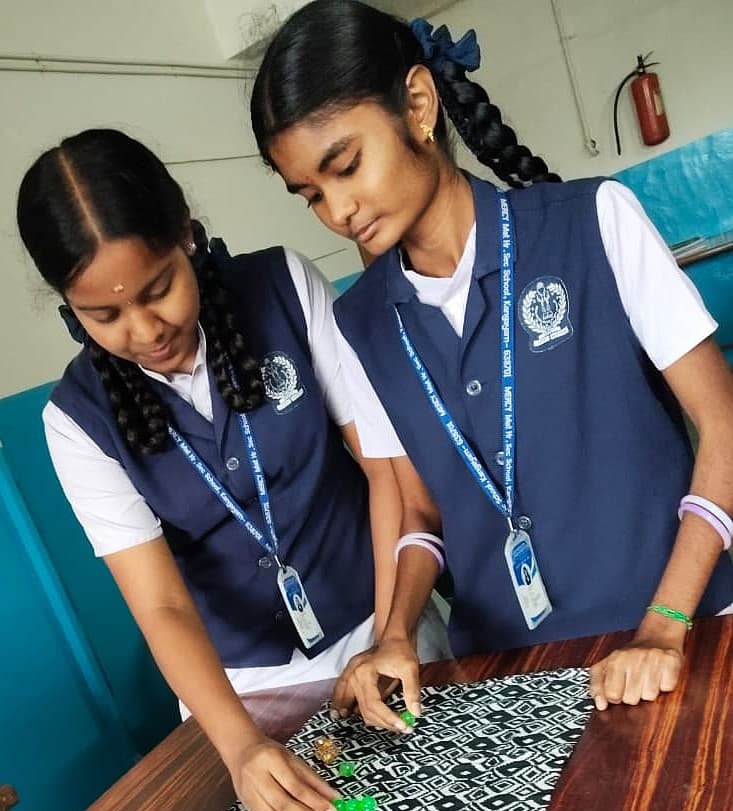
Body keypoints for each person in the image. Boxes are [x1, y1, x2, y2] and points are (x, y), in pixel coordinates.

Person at [250, 0, 733, 728]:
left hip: (681, 638)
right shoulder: (361, 322)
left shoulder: (593, 223)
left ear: (417, 104)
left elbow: (722, 425)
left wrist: (663, 621)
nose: (338, 210)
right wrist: (393, 633)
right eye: (310, 195)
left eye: (345, 166)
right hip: (508, 678)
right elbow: (414, 509)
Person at [17, 128, 446, 811]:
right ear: (72, 309)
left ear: (186, 237)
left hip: (379, 623)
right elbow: (160, 605)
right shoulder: (75, 418)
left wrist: (387, 633)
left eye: (158, 290)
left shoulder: (282, 288)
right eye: (105, 315)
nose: (145, 329)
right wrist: (241, 743)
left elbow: (383, 473)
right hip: (241, 690)